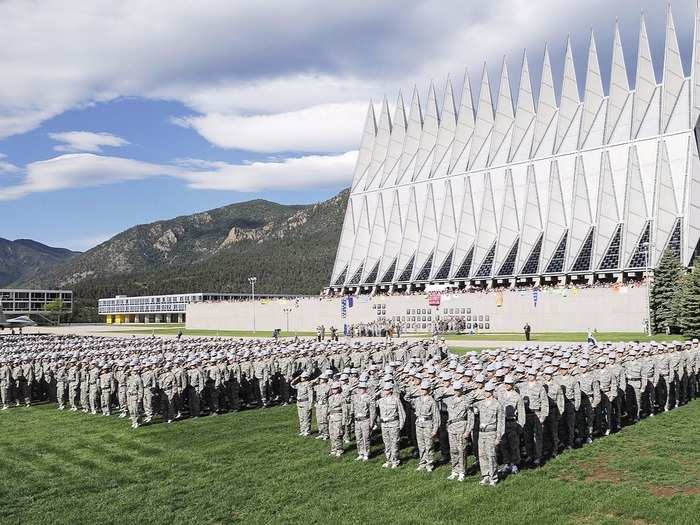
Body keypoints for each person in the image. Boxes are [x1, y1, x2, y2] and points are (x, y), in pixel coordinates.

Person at [473, 381, 505, 486]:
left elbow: (501, 422)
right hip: (481, 433)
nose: (486, 392)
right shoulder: (480, 403)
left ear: (492, 391)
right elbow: (468, 404)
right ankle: (485, 476)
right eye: (485, 391)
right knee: (482, 455)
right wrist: (475, 393)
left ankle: (493, 477)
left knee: (491, 456)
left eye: (488, 391)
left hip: (492, 432)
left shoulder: (497, 404)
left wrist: (498, 436)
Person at [377, 381, 405, 468]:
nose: (385, 391)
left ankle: (395, 460)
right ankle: (388, 460)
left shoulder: (396, 400)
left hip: (393, 423)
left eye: (387, 389)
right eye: (384, 389)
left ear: (391, 390)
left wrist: (401, 424)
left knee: (394, 443)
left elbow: (402, 413)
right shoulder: (381, 401)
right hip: (384, 424)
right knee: (386, 443)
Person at [414, 379, 440, 472]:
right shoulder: (417, 399)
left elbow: (436, 417)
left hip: (428, 425)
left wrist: (435, 430)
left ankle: (429, 463)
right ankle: (422, 462)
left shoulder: (432, 401)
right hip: (419, 424)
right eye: (422, 388)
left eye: (425, 389)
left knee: (429, 445)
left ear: (429, 390)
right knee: (421, 445)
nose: (423, 390)